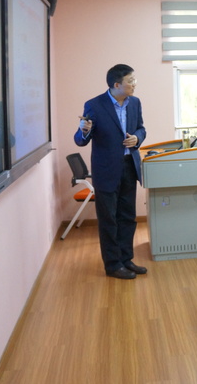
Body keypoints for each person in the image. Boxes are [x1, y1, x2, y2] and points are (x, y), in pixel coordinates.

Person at [74, 64, 147, 280]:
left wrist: (137, 138)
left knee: (128, 217)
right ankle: (113, 265)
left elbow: (141, 128)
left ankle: (126, 259)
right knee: (109, 220)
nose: (134, 84)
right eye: (130, 81)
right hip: (106, 171)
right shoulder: (95, 105)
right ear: (116, 84)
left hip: (129, 166)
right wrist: (84, 130)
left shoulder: (135, 102)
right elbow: (80, 140)